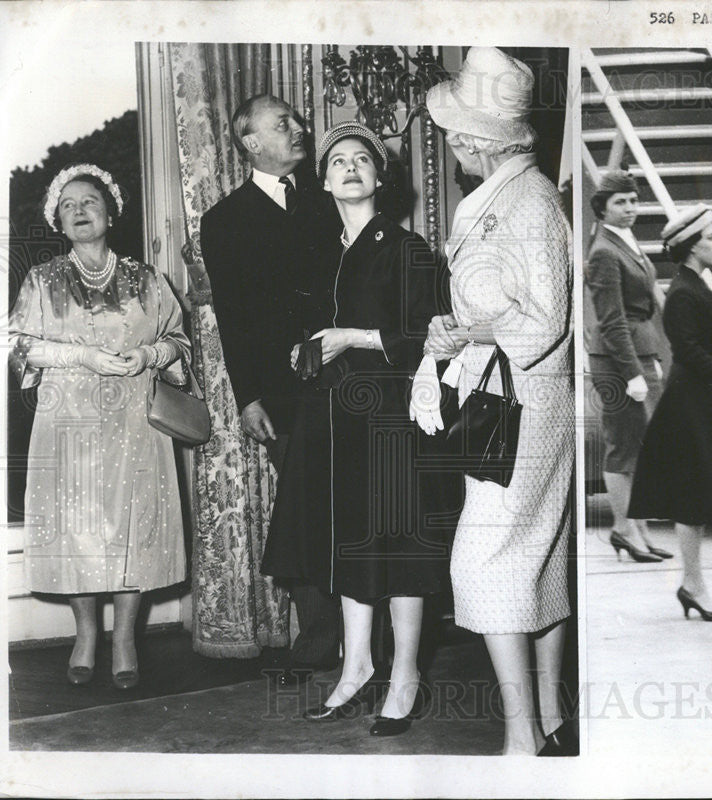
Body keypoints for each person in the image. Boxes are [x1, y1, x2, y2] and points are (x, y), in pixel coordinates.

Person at [262, 122, 448, 737]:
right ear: (323, 181)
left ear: (380, 175)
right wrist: (304, 351)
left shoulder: (408, 247)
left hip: (393, 416)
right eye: (336, 161)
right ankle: (358, 666)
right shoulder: (320, 251)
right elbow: (310, 327)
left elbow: (429, 336)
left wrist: (353, 338)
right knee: (350, 544)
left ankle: (405, 679)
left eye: (361, 159)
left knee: (397, 545)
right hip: (334, 420)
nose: (349, 167)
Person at [419, 46, 575, 756]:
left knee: (485, 562)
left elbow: (541, 322)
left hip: (522, 402)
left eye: (457, 130)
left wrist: (463, 330)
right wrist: (456, 336)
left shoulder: (530, 201)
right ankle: (544, 721)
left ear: (479, 139)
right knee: (533, 557)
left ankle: (520, 739)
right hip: (508, 397)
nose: (452, 142)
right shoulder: (507, 195)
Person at [9, 164, 190, 689]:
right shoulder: (42, 280)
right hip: (69, 421)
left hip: (137, 420)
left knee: (134, 528)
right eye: (68, 205)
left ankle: (126, 637)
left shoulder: (149, 279)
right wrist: (83, 355)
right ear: (57, 221)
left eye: (90, 201)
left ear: (110, 211)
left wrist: (148, 353)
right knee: (77, 530)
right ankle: (86, 634)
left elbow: (179, 342)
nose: (80, 210)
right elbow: (20, 347)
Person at [200, 94, 341, 670]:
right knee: (305, 507)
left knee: (349, 501)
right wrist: (248, 396)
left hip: (347, 378)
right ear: (251, 143)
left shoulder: (329, 201)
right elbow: (232, 316)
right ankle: (321, 634)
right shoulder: (224, 220)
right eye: (283, 124)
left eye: (298, 120)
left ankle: (363, 637)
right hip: (281, 393)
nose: (299, 129)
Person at [627, 204, 712, 622]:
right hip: (691, 399)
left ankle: (692, 584)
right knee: (691, 496)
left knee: (694, 496)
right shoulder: (683, 289)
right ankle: (694, 585)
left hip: (701, 398)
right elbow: (686, 347)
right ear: (693, 246)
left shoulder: (693, 282)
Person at [584, 170, 672, 563]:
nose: (630, 208)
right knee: (622, 448)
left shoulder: (625, 242)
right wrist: (634, 372)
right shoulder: (604, 250)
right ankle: (623, 530)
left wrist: (648, 361)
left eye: (634, 200)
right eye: (620, 201)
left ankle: (640, 531)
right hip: (618, 360)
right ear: (602, 207)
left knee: (640, 449)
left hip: (638, 353)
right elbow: (612, 320)